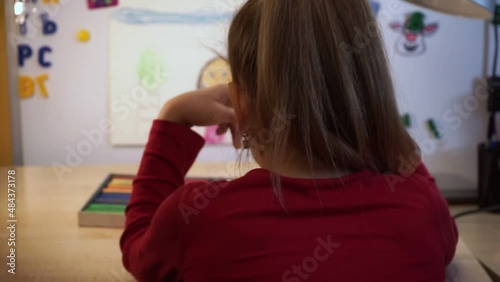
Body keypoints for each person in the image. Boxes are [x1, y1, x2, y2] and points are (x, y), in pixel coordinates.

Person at [120, 0, 458, 281]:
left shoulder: (194, 218)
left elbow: (137, 247)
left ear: (240, 104)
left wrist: (173, 118)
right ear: (373, 92)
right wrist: (378, 118)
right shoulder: (422, 210)